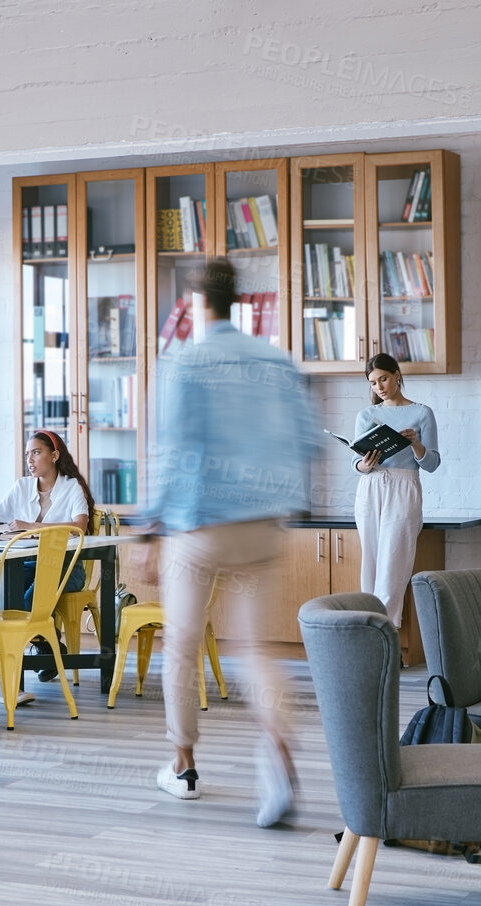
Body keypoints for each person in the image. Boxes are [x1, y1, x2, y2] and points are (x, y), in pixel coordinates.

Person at [144, 256, 316, 826]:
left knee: (183, 645)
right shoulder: (276, 360)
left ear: (196, 301)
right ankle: (275, 756)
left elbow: (174, 448)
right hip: (265, 520)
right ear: (239, 300)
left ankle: (184, 766)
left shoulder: (186, 360)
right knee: (255, 651)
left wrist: (149, 525)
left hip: (200, 525)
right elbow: (305, 441)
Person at [0, 429, 93, 696]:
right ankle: (44, 647)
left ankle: (22, 657)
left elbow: (80, 525)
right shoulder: (22, 487)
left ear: (54, 455)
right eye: (27, 454)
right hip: (26, 564)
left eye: (36, 452)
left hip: (66, 566)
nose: (30, 460)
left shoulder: (71, 487)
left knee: (28, 603)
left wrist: (31, 526)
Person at [351, 351, 440, 665]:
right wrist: (363, 464)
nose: (379, 387)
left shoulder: (421, 413)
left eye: (384, 379)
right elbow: (355, 461)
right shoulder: (367, 414)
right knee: (371, 567)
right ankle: (370, 641)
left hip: (404, 487)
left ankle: (386, 645)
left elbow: (432, 463)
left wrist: (416, 444)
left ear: (397, 374)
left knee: (393, 568)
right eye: (373, 383)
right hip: (371, 487)